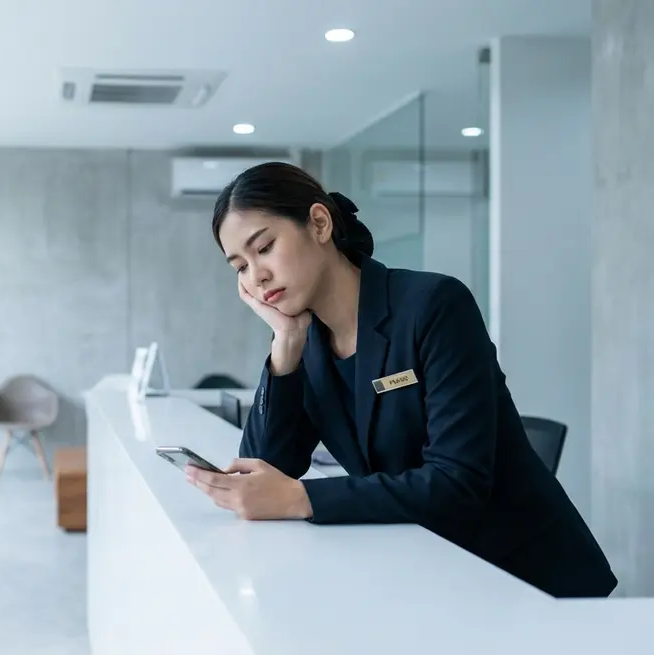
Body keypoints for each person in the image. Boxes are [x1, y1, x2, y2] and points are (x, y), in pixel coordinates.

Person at [185, 162, 617, 599]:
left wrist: (302, 498)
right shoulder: (308, 341)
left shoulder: (432, 306)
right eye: (239, 266)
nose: (255, 276)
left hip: (526, 580)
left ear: (318, 223)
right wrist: (285, 343)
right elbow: (263, 471)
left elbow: (457, 484)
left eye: (265, 248)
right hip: (429, 573)